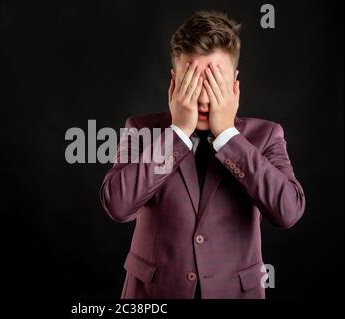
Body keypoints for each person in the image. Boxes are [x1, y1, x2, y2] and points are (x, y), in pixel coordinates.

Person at [100, 10, 305, 299]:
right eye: (194, 82)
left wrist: (228, 137)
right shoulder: (140, 129)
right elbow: (118, 206)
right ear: (174, 83)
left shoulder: (266, 135)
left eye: (215, 82)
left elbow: (288, 211)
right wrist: (178, 133)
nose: (205, 97)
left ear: (234, 84)